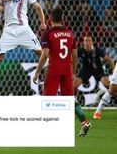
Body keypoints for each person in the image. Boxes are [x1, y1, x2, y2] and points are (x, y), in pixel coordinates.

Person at [33, 7, 91, 137]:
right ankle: (84, 122)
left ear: (50, 19)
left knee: (48, 98)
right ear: (62, 19)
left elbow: (45, 54)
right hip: (67, 68)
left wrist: (37, 71)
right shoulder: (70, 34)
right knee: (70, 99)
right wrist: (73, 71)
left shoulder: (48, 33)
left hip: (54, 68)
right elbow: (75, 56)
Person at [0, 0, 46, 95]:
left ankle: (49, 75)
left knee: (41, 53)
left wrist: (42, 22)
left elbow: (37, 7)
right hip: (9, 30)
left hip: (24, 29)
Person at [74, 35, 115, 99]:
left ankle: (114, 97)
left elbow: (109, 59)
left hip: (97, 69)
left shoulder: (97, 50)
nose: (87, 42)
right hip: (85, 70)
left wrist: (113, 70)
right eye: (86, 41)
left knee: (107, 84)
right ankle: (72, 101)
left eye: (89, 41)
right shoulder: (80, 51)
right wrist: (73, 72)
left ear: (92, 42)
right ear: (83, 42)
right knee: (74, 86)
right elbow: (73, 59)